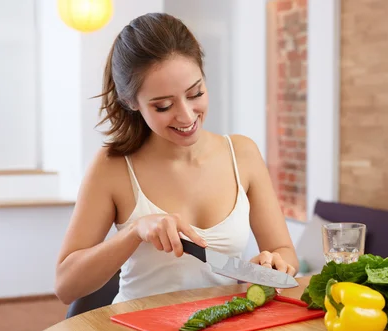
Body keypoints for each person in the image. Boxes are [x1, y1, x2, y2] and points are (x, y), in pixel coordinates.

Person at [54, 13, 298, 305]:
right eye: (163, 106)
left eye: (195, 93)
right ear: (132, 103)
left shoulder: (242, 154)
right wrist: (134, 232)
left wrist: (274, 264)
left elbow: (283, 250)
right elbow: (66, 286)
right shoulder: (113, 166)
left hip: (220, 329)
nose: (186, 116)